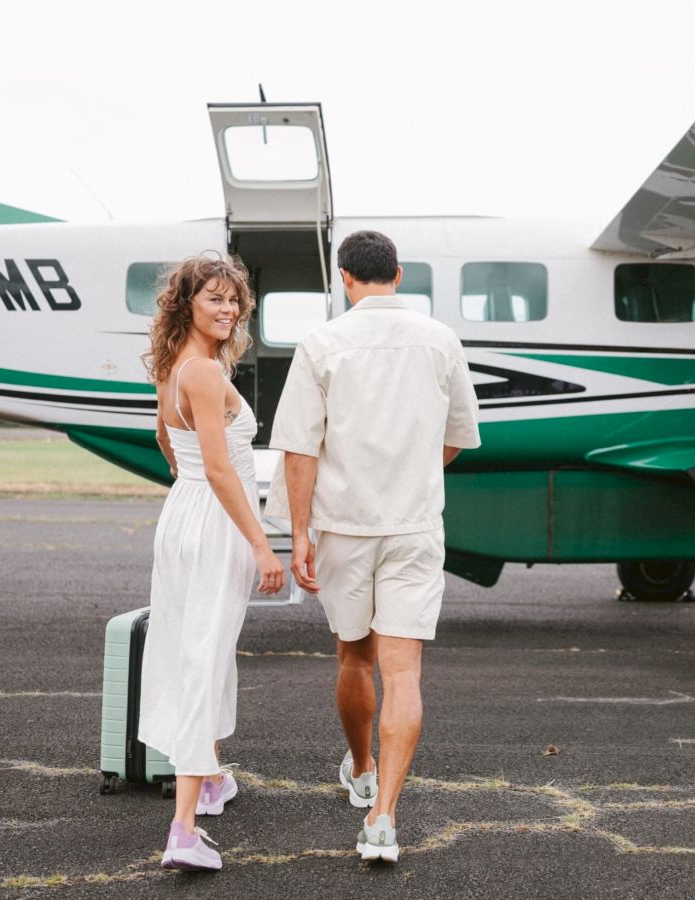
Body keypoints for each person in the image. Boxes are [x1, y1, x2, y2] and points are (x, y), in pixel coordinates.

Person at [265, 230, 480, 862]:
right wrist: (414, 471)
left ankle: (360, 771)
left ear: (345, 278)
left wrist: (297, 532)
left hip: (344, 527)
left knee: (354, 660)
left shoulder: (322, 343)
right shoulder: (441, 340)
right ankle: (384, 817)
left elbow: (300, 447)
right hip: (413, 525)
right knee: (404, 672)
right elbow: (458, 437)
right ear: (399, 273)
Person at [139, 253, 285, 871]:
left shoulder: (177, 365)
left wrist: (190, 481)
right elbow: (223, 469)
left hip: (184, 514)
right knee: (203, 654)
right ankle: (183, 829)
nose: (227, 310)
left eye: (234, 300)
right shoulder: (202, 371)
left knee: (198, 646)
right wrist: (259, 541)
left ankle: (213, 777)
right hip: (215, 521)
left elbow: (164, 438)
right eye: (214, 299)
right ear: (188, 304)